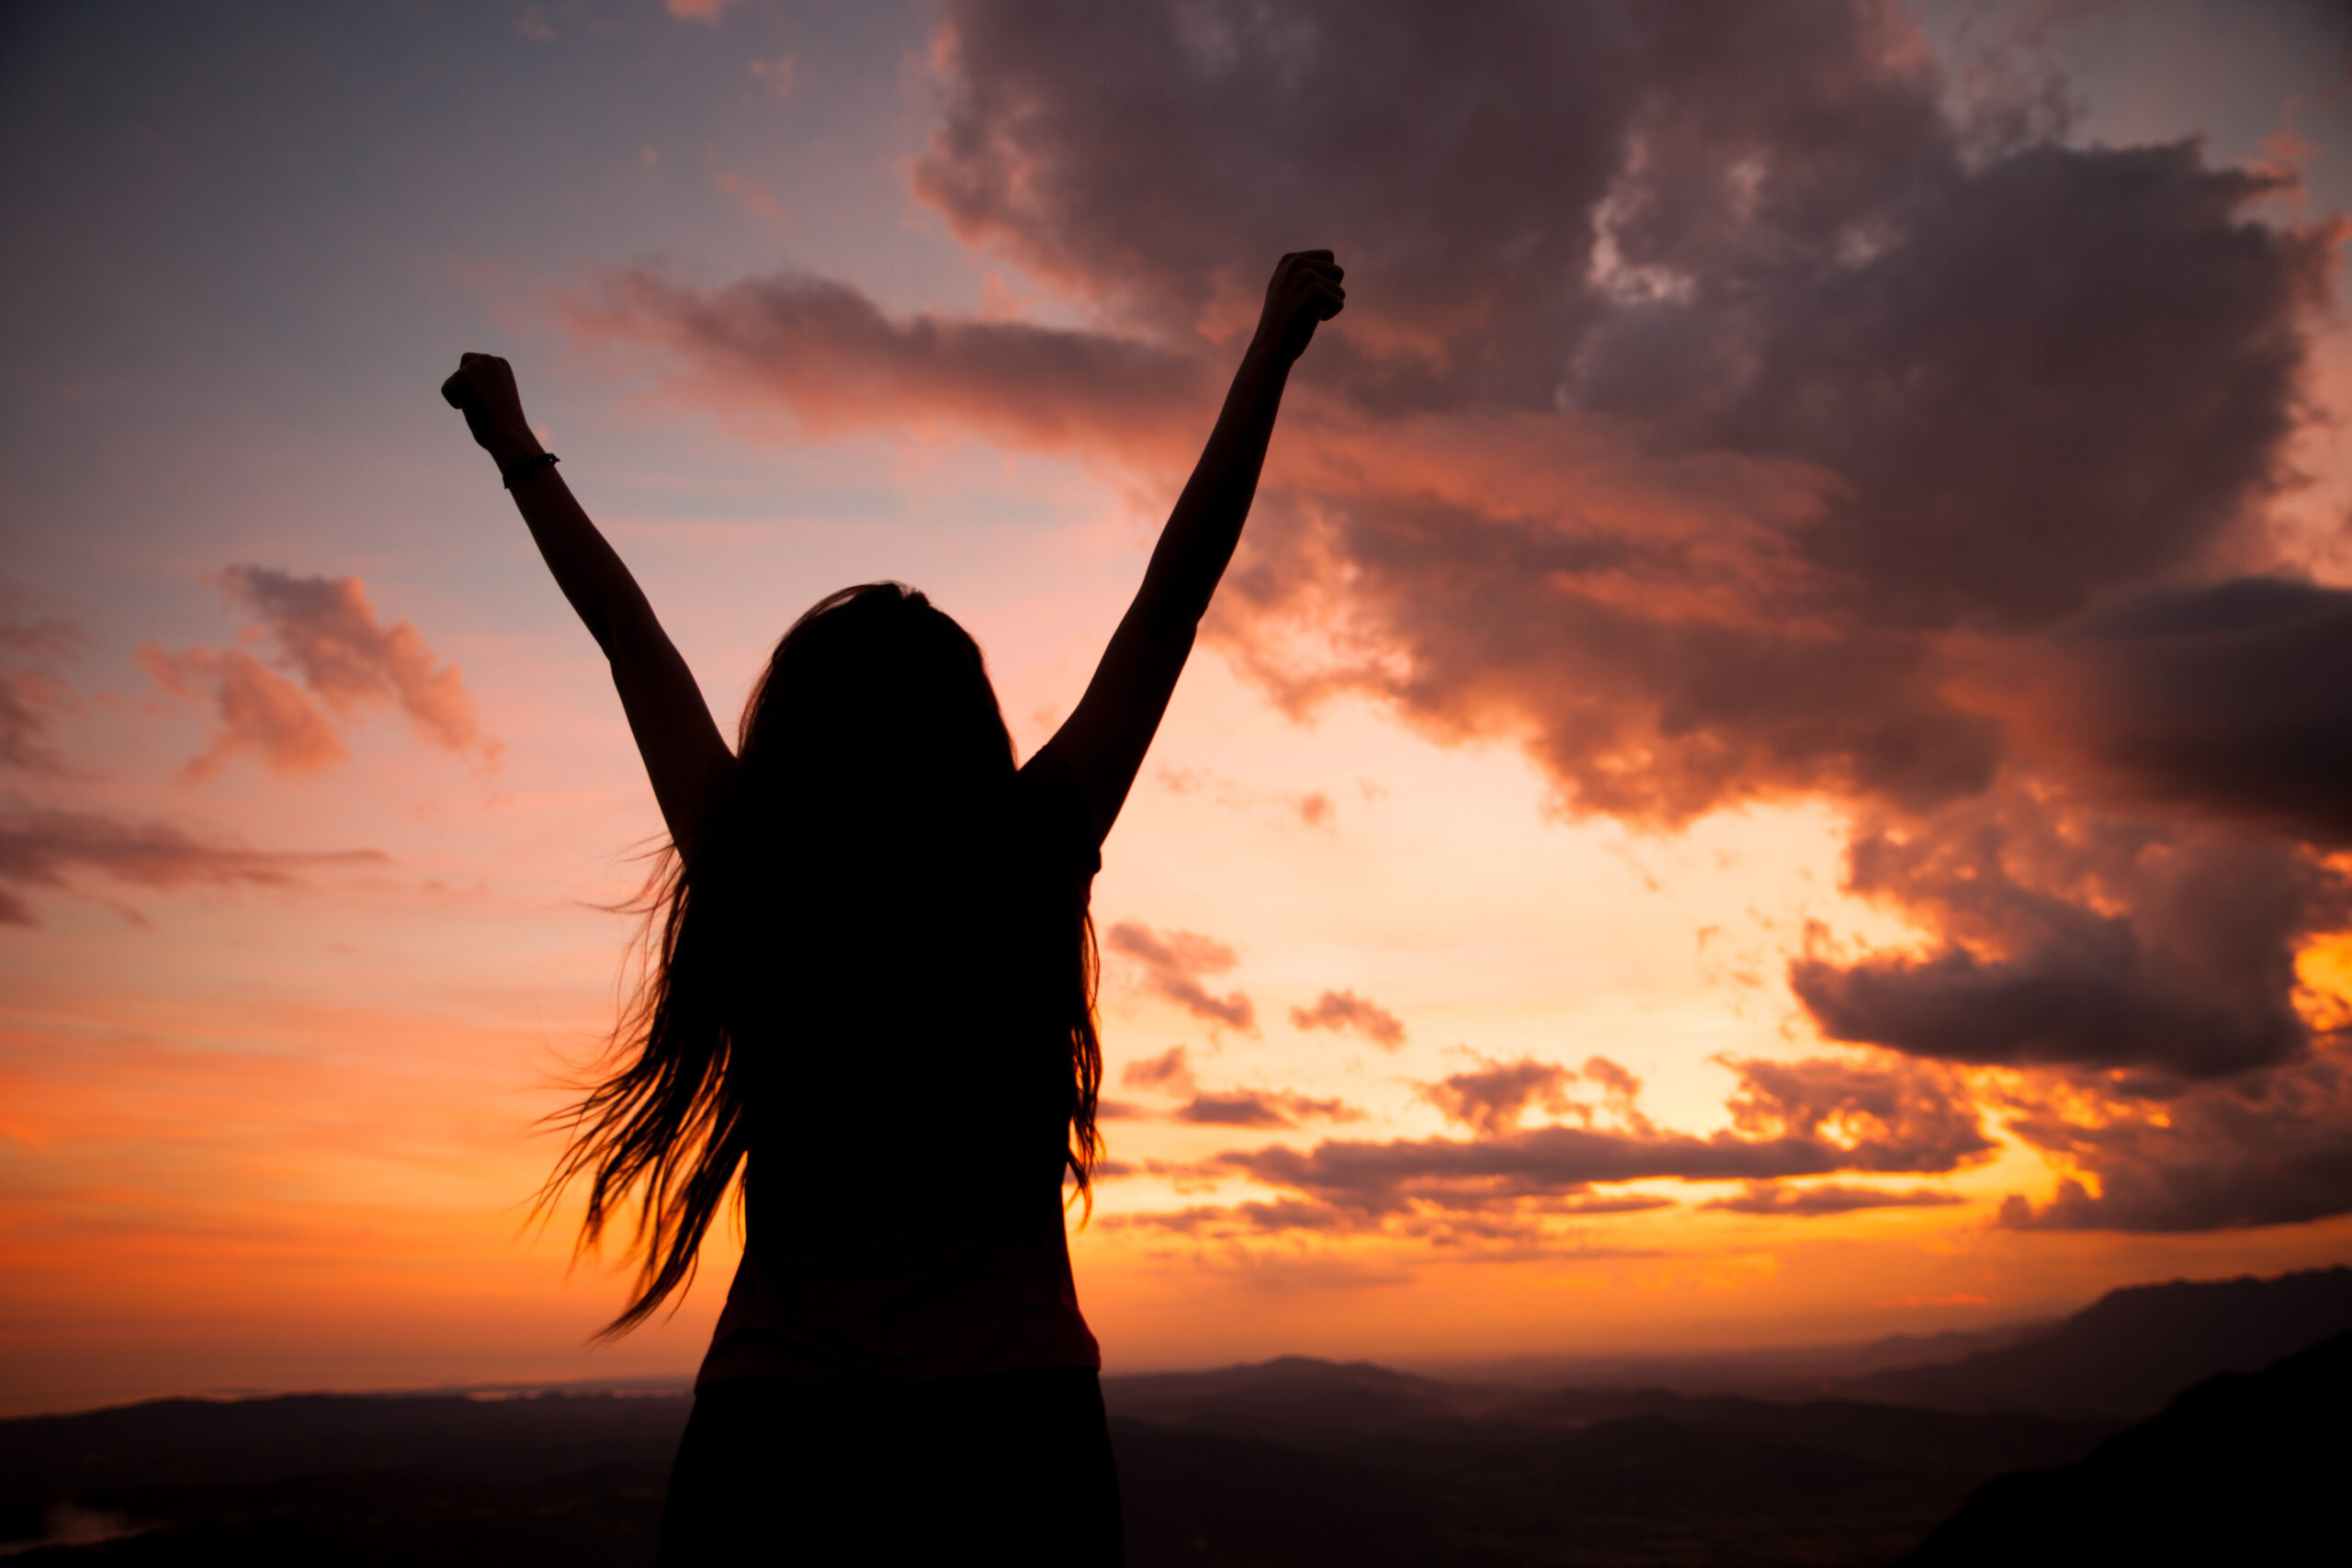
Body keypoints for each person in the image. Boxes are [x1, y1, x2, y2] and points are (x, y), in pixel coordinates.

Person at [441, 250, 1345, 1563]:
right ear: (966, 729)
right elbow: (1177, 592)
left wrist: (516, 446)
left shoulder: (750, 861)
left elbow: (628, 634)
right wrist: (1269, 350)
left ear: (795, 731)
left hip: (779, 1441)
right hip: (1014, 1441)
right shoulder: (1032, 852)